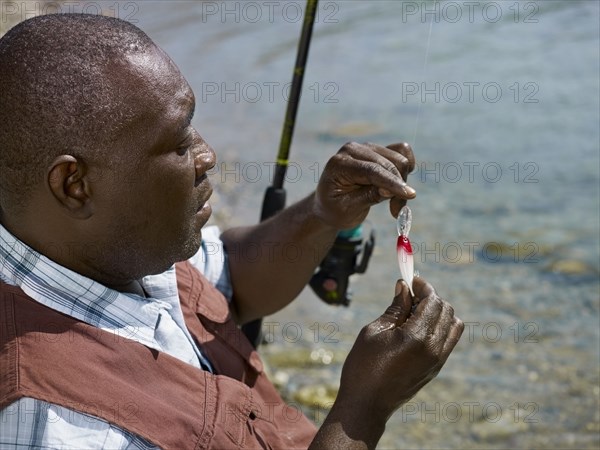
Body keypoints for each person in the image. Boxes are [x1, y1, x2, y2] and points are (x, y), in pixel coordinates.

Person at [0, 13, 463, 449]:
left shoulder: (107, 245)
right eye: (179, 142)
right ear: (74, 186)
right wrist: (364, 408)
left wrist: (322, 214)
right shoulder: (61, 425)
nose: (208, 155)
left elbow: (228, 284)